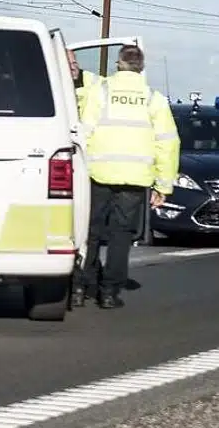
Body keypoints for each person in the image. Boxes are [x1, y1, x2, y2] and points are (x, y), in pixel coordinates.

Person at [72, 43, 178, 308]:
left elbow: (83, 132)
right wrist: (163, 186)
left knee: (90, 232)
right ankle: (109, 292)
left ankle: (81, 287)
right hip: (135, 178)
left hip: (99, 173)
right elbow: (168, 143)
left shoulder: (101, 91)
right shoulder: (154, 98)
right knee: (121, 235)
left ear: (118, 64)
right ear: (141, 67)